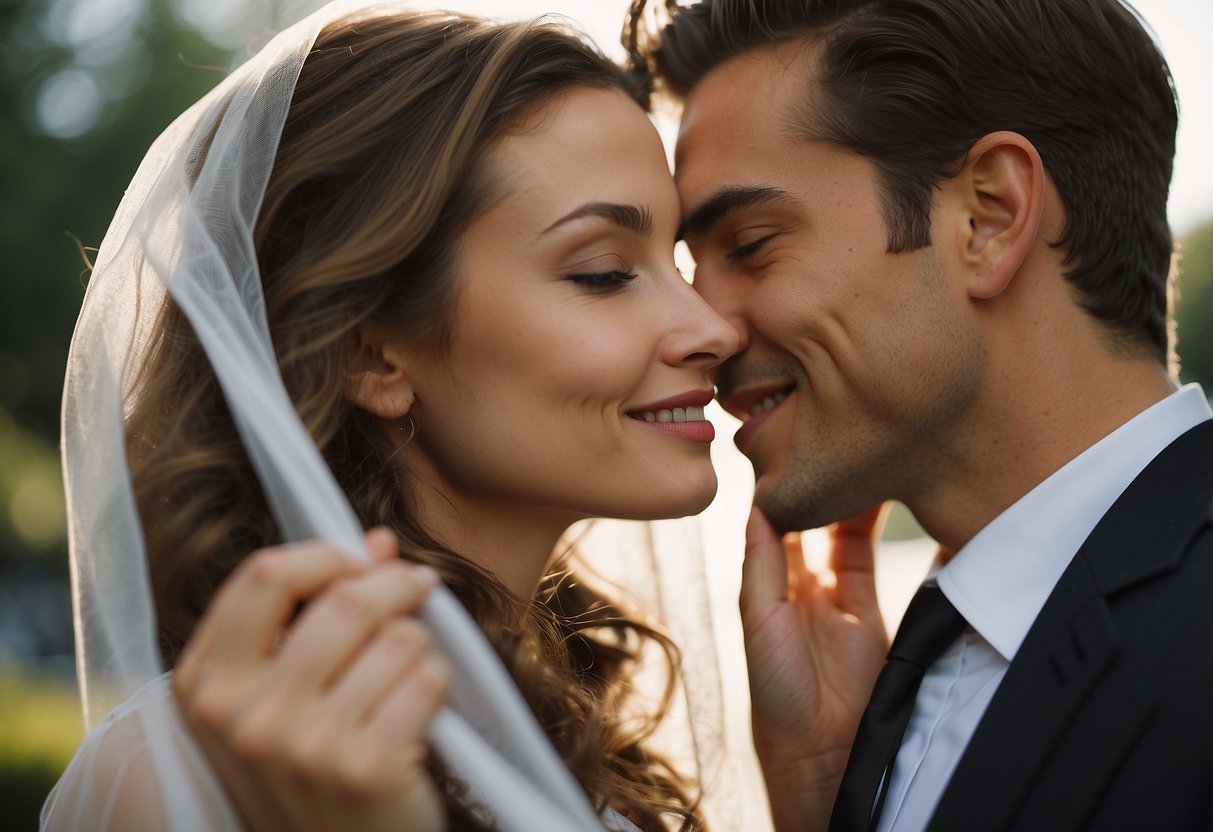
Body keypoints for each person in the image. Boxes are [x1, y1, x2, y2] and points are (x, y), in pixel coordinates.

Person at [40, 3, 775, 830]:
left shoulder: (577, 738)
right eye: (603, 272)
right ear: (370, 355)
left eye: (675, 260)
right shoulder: (187, 775)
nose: (713, 329)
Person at [624, 0, 1213, 830]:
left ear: (989, 215)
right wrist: (824, 796)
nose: (700, 328)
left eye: (750, 244)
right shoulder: (891, 692)